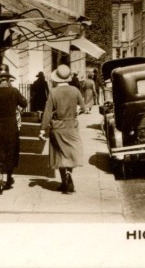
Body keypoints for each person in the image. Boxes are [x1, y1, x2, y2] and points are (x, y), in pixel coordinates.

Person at [39, 65, 85, 194]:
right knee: (70, 152)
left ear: (56, 78)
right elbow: (83, 108)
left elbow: (47, 112)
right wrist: (76, 112)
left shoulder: (53, 92)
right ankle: (69, 173)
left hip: (57, 127)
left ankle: (64, 181)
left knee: (58, 154)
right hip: (71, 126)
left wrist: (42, 130)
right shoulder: (75, 90)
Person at [0, 71, 28, 194]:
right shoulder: (14, 92)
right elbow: (25, 103)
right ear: (8, 81)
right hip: (11, 127)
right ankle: (9, 179)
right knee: (10, 152)